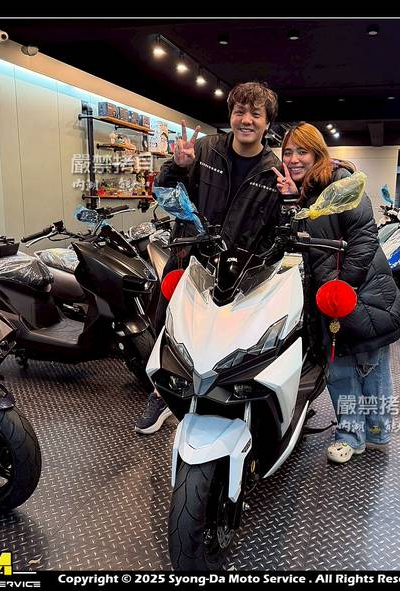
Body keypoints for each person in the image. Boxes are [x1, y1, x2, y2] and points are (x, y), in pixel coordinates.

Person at [135, 81, 284, 435]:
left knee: (226, 337)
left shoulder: (273, 170)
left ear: (267, 123)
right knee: (169, 326)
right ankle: (161, 394)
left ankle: (219, 397)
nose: (246, 120)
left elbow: (275, 229)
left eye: (255, 114)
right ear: (230, 115)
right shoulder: (203, 150)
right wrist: (176, 167)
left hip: (239, 271)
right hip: (189, 256)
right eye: (239, 111)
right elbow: (163, 192)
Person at [273, 123, 400, 463]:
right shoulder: (306, 193)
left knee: (371, 367)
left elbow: (364, 239)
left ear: (318, 153)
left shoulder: (341, 184)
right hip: (327, 298)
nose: (293, 159)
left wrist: (343, 286)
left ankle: (376, 431)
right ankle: (351, 434)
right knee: (339, 368)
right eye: (288, 152)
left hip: (361, 294)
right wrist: (291, 198)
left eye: (302, 151)